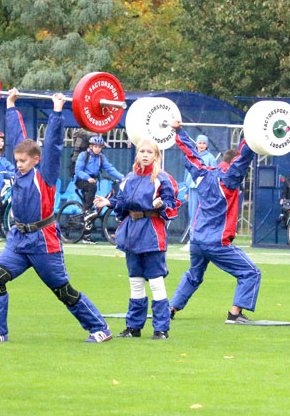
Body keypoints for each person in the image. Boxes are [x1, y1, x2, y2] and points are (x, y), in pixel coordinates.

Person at [0, 89, 111, 344]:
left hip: (43, 241)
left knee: (63, 291)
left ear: (36, 160)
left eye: (24, 161)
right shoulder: (19, 169)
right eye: (17, 160)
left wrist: (57, 111)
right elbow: (17, 138)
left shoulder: (46, 175)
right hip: (19, 240)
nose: (19, 164)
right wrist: (10, 105)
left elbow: (52, 145)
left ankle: (100, 328)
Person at [168, 121, 261, 324]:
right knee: (251, 272)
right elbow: (245, 156)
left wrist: (179, 131)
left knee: (194, 275)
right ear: (233, 164)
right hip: (217, 242)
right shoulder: (230, 179)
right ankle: (234, 314)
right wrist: (253, 135)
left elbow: (191, 154)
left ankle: (171, 308)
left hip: (197, 240)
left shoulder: (203, 173)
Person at [94, 139, 179, 340]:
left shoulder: (162, 178)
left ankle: (161, 328)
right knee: (135, 280)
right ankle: (133, 327)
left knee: (156, 281)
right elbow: (123, 203)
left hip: (151, 232)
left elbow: (172, 205)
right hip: (132, 233)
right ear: (137, 154)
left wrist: (161, 205)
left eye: (149, 152)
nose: (145, 155)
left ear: (156, 155)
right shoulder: (129, 178)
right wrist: (110, 203)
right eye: (142, 151)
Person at [74, 135, 123, 244]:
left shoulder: (101, 157)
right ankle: (88, 211)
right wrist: (87, 178)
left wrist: (123, 177)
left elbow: (110, 168)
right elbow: (78, 171)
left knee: (94, 205)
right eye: (95, 146)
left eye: (99, 147)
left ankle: (86, 236)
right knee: (92, 187)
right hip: (81, 180)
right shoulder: (84, 155)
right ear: (90, 146)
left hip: (92, 181)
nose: (97, 149)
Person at [182, 134, 218, 251]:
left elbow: (214, 174)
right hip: (192, 188)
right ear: (196, 144)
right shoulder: (191, 156)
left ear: (207, 145)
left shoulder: (211, 158)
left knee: (203, 214)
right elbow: (187, 173)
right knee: (192, 214)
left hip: (204, 190)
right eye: (200, 143)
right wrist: (186, 190)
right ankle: (192, 240)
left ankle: (203, 240)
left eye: (204, 143)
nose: (201, 145)